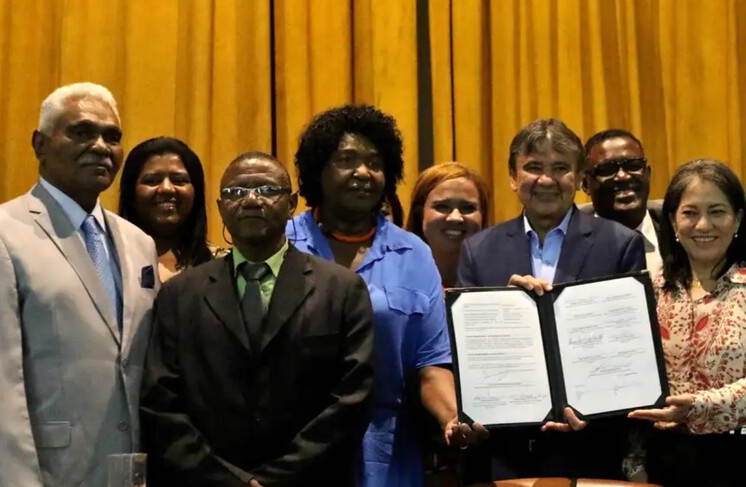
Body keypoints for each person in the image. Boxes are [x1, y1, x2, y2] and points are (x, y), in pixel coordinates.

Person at [141, 152, 374, 486]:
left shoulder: (341, 289)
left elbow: (353, 401)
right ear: (220, 207)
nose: (251, 200)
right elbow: (160, 404)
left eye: (267, 189)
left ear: (292, 203)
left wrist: (274, 480)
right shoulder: (180, 295)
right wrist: (232, 481)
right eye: (236, 193)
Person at [0, 82, 158, 486]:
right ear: (39, 144)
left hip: (133, 472)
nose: (100, 146)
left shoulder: (139, 243)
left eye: (112, 137)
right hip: (50, 473)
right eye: (81, 132)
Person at [286, 104, 476, 487]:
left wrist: (453, 417)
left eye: (374, 162)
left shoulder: (414, 252)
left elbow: (431, 363)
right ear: (317, 171)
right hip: (293, 450)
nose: (363, 172)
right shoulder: (285, 243)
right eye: (346, 160)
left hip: (387, 456)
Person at [456, 118, 647, 481]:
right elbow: (470, 354)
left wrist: (593, 407)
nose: (546, 180)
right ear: (513, 177)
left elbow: (627, 351)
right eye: (533, 168)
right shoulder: (479, 251)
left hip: (591, 449)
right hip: (506, 453)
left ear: (578, 178)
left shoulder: (620, 244)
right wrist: (506, 315)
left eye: (560, 168)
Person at [625, 159, 746, 486]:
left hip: (744, 460)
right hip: (665, 461)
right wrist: (634, 463)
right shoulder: (652, 291)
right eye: (690, 213)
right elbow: (634, 383)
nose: (703, 225)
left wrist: (698, 406)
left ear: (738, 220)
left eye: (717, 211)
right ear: (673, 221)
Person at [119, 136, 227, 282]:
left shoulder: (223, 266)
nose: (167, 189)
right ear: (130, 193)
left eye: (179, 180)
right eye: (152, 181)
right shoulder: (108, 261)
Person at [581, 129, 662, 275]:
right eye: (607, 169)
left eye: (633, 166)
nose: (623, 176)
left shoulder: (677, 228)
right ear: (586, 184)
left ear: (648, 174)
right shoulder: (569, 238)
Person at [406, 162, 491, 288]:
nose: (455, 218)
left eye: (468, 208)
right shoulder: (394, 274)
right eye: (442, 207)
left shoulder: (501, 273)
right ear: (419, 213)